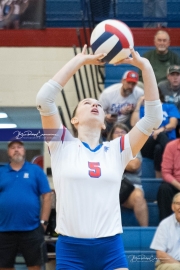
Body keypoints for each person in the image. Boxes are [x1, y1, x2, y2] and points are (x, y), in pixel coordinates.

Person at [36, 45, 162, 270]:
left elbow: (153, 117)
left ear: (105, 122)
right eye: (86, 103)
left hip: (110, 249)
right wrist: (80, 61)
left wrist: (146, 66)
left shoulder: (118, 149)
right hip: (71, 248)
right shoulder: (61, 143)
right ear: (74, 121)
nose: (94, 104)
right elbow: (44, 99)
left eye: (98, 104)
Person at [0, 140, 52, 269]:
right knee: (4, 266)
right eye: (13, 147)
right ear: (9, 152)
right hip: (4, 230)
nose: (16, 149)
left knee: (34, 266)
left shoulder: (36, 171)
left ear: (24, 151)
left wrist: (44, 222)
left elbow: (47, 195)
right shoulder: (1, 172)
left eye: (19, 147)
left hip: (32, 229)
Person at [107, 122, 148, 226]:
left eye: (123, 132)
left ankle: (144, 232)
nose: (120, 134)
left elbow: (134, 166)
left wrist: (113, 161)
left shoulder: (134, 148)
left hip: (130, 187)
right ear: (111, 135)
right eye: (117, 132)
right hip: (108, 187)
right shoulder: (104, 148)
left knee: (138, 197)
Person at [131, 92, 180, 178]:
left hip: (166, 142)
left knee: (159, 148)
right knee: (160, 137)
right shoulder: (143, 109)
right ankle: (175, 156)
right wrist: (138, 104)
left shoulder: (169, 107)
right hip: (147, 143)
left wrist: (160, 130)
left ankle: (158, 177)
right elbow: (133, 124)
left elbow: (173, 124)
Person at [99, 70, 144, 136]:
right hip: (110, 123)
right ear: (123, 81)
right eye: (128, 83)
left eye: (133, 84)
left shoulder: (139, 93)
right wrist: (105, 116)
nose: (130, 86)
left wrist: (132, 110)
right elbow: (99, 111)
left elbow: (143, 111)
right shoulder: (108, 93)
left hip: (127, 122)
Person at [150, 193, 180, 270]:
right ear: (173, 206)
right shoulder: (165, 224)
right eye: (178, 204)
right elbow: (160, 254)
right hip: (167, 263)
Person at [157, 136, 180, 221]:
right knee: (164, 189)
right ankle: (165, 224)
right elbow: (166, 173)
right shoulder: (171, 146)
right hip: (175, 184)